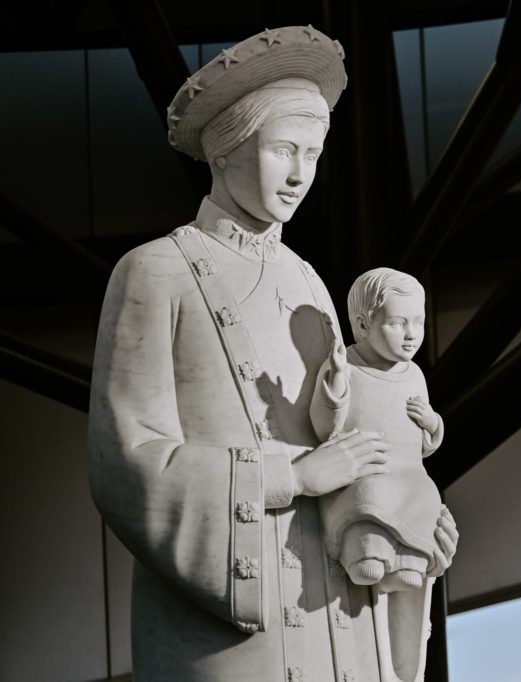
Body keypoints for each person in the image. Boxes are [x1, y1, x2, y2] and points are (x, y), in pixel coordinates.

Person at [87, 26, 456, 682]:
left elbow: (349, 433)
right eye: (284, 149)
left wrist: (410, 512)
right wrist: (291, 477)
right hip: (232, 620)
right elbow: (129, 464)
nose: (299, 174)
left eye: (312, 154)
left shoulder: (309, 282)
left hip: (340, 609)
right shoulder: (155, 272)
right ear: (227, 147)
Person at [310, 268, 447, 594]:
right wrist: (335, 386)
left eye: (418, 323)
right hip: (370, 469)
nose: (411, 334)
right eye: (398, 324)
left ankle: (410, 561)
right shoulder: (349, 367)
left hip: (410, 472)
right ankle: (366, 553)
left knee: (425, 498)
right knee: (369, 499)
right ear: (362, 325)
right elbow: (324, 427)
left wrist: (432, 423)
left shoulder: (415, 375)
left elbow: (423, 444)